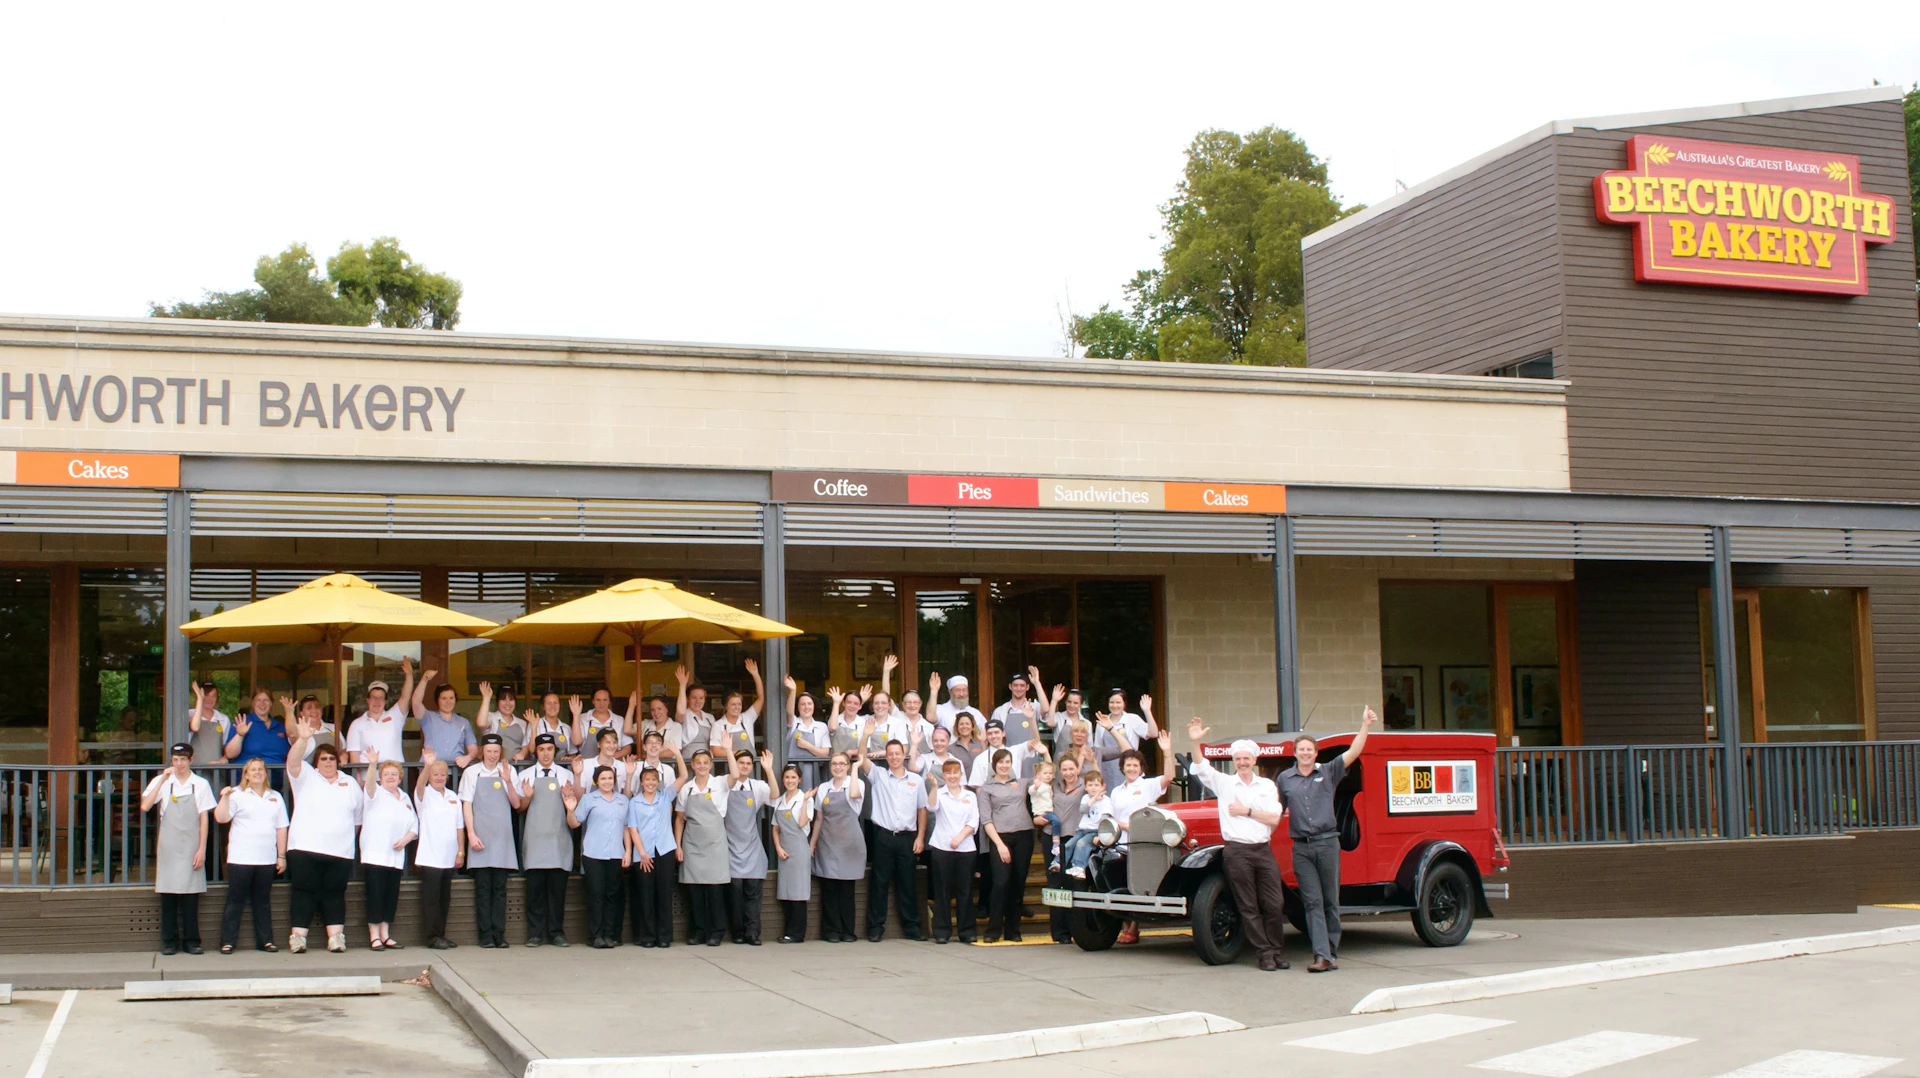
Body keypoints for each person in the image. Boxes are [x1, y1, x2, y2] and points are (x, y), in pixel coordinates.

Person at [1186, 717, 1289, 971]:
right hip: (1237, 850)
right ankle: (1265, 953)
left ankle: (1276, 950)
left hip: (1262, 849)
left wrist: (1246, 811)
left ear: (1255, 760)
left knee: (1274, 903)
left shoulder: (1266, 786)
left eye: (1246, 758)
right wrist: (1195, 740)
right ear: (1234, 762)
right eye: (1238, 759)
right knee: (1248, 904)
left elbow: (1274, 817)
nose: (1242, 763)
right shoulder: (1224, 783)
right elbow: (1200, 766)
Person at [1278, 708, 1376, 973]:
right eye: (1301, 750)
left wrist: (1364, 725)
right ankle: (1321, 955)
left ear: (1316, 753)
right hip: (1302, 848)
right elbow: (1276, 811)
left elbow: (1354, 752)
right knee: (1312, 902)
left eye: (1310, 750)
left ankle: (1331, 952)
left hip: (1327, 843)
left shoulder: (1329, 772)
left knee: (1331, 900)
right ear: (1295, 753)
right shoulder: (1285, 779)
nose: (1306, 753)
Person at [285, 718, 362, 953]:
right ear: (316, 762)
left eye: (331, 758)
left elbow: (357, 820)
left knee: (335, 894)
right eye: (323, 759)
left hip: (339, 852)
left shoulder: (350, 783)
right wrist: (304, 738)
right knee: (303, 893)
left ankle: (336, 938)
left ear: (338, 761)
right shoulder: (305, 777)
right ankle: (298, 938)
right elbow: (293, 760)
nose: (328, 762)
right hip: (304, 849)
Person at [143, 743, 215, 955]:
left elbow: (204, 819)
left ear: (191, 760)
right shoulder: (163, 781)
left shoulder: (200, 784)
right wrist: (163, 779)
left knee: (191, 895)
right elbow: (145, 805)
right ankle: (169, 941)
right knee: (168, 895)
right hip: (169, 844)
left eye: (183, 759)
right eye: (176, 759)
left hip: (192, 843)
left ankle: (192, 941)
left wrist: (202, 848)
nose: (179, 763)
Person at [1107, 733, 1176, 945]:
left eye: (1135, 765)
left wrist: (1166, 752)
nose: (1131, 768)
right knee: (1119, 883)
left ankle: (1135, 927)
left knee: (1138, 884)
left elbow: (1169, 777)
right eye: (1128, 765)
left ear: (1141, 768)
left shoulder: (1148, 786)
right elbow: (1111, 816)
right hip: (1120, 844)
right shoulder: (1117, 791)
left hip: (1142, 844)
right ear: (1122, 767)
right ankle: (1126, 926)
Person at [214, 757, 287, 954]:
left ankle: (266, 941)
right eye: (252, 770)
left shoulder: (275, 797)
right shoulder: (236, 794)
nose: (257, 772)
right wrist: (225, 797)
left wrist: (282, 856)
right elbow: (221, 818)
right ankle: (227, 941)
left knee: (262, 901)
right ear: (245, 774)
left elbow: (281, 828)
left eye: (260, 769)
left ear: (265, 773)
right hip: (241, 858)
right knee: (235, 900)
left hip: (266, 858)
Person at [856, 737, 925, 942]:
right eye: (891, 754)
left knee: (908, 884)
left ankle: (912, 928)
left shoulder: (916, 780)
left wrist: (920, 837)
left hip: (906, 838)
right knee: (879, 883)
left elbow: (922, 809)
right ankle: (875, 928)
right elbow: (862, 756)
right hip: (883, 837)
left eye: (898, 753)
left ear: (904, 755)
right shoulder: (878, 775)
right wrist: (866, 735)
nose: (894, 757)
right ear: (886, 756)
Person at [460, 733, 525, 948]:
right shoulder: (471, 773)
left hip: (502, 837)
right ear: (482, 752)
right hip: (480, 836)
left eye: (496, 752)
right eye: (489, 751)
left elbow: (516, 804)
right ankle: (485, 935)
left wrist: (508, 782)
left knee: (500, 890)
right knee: (482, 889)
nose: (492, 755)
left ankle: (500, 933)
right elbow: (466, 805)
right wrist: (471, 834)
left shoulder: (509, 771)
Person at [517, 732, 576, 947]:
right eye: (541, 750)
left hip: (558, 840)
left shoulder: (565, 775)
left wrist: (569, 795)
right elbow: (520, 809)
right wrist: (527, 797)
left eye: (549, 749)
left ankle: (556, 932)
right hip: (535, 840)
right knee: (535, 891)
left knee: (557, 892)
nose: (545, 753)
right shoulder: (526, 774)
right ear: (536, 752)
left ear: (555, 751)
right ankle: (535, 934)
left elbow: (572, 807)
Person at [359, 753, 418, 951]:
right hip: (375, 855)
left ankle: (385, 935)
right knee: (375, 896)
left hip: (395, 858)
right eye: (386, 774)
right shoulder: (374, 793)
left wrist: (405, 840)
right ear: (380, 777)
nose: (391, 777)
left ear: (400, 777)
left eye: (394, 774)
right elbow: (368, 783)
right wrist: (373, 764)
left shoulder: (405, 797)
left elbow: (414, 826)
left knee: (390, 897)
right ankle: (374, 936)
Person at [569, 764, 631, 948]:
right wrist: (570, 810)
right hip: (593, 853)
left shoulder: (623, 800)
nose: (607, 782)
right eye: (603, 778)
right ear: (597, 780)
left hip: (615, 854)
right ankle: (595, 935)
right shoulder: (589, 799)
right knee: (596, 894)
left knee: (613, 895)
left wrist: (627, 851)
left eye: (610, 778)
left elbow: (626, 827)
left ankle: (609, 934)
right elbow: (574, 824)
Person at [978, 748, 1035, 943]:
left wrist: (1045, 753)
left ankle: (1013, 930)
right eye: (1001, 762)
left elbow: (1045, 777)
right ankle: (993, 930)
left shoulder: (1020, 783)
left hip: (1024, 836)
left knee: (1018, 884)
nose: (1004, 765)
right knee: (1000, 883)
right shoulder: (986, 788)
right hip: (1000, 838)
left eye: (1007, 762)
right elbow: (986, 819)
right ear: (994, 765)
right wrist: (1000, 845)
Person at [808, 751, 866, 943]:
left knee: (847, 890)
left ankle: (848, 931)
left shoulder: (856, 783)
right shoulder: (824, 788)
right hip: (828, 843)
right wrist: (813, 843)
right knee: (829, 890)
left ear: (848, 766)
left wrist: (857, 768)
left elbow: (855, 795)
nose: (838, 767)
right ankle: (831, 931)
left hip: (850, 845)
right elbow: (818, 819)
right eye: (834, 764)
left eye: (842, 764)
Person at [675, 748, 731, 946]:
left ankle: (716, 932)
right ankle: (698, 932)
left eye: (705, 762)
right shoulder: (686, 789)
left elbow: (734, 775)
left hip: (715, 844)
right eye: (698, 762)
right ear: (692, 765)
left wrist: (730, 749)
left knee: (715, 891)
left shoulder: (720, 783)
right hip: (692, 844)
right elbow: (680, 819)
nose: (702, 766)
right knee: (695, 892)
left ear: (711, 764)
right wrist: (678, 845)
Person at [723, 749, 777, 945]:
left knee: (753, 893)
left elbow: (775, 795)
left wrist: (769, 770)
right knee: (735, 894)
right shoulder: (725, 784)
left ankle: (753, 933)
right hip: (730, 847)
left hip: (752, 847)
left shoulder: (757, 786)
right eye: (740, 763)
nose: (744, 766)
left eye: (748, 763)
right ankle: (738, 932)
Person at [413, 753, 465, 950]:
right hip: (430, 858)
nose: (439, 777)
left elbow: (459, 827)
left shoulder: (453, 797)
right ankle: (432, 937)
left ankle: (441, 934)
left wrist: (461, 852)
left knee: (444, 900)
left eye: (442, 774)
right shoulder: (424, 795)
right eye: (435, 774)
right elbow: (418, 787)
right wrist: (427, 766)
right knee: (431, 901)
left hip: (448, 858)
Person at [925, 758, 978, 945]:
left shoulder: (970, 796)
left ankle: (967, 931)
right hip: (941, 848)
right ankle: (941, 931)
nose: (952, 776)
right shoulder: (939, 793)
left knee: (965, 891)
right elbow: (931, 807)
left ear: (961, 774)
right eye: (948, 773)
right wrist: (933, 786)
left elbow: (973, 821)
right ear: (944, 775)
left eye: (956, 773)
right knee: (942, 891)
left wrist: (959, 838)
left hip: (965, 848)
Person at [625, 765, 678, 947]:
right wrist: (642, 853)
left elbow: (684, 777)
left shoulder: (665, 797)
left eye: (654, 779)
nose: (651, 783)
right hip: (644, 853)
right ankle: (648, 937)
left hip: (665, 850)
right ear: (641, 782)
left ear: (658, 782)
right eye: (647, 779)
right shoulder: (634, 802)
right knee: (645, 896)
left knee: (664, 895)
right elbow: (633, 829)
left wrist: (675, 754)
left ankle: (664, 937)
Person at [769, 762, 813, 943]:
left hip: (799, 849)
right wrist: (778, 847)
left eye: (793, 777)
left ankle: (797, 933)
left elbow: (802, 823)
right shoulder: (780, 800)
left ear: (799, 779)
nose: (790, 780)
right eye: (787, 777)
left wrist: (803, 802)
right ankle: (788, 930)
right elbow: (775, 828)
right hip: (784, 850)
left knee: (798, 892)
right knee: (786, 892)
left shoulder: (806, 799)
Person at [1045, 755, 1087, 943]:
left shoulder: (1085, 786)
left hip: (1074, 838)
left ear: (1078, 769)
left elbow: (1100, 785)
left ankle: (1075, 930)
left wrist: (1091, 760)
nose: (1068, 773)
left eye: (1072, 769)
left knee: (1072, 884)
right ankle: (1059, 932)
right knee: (1055, 883)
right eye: (1065, 769)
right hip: (1053, 839)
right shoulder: (1054, 786)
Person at [345, 660, 412, 765]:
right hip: (367, 777)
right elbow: (354, 758)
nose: (377, 701)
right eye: (373, 697)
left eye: (381, 698)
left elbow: (405, 696)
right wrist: (358, 780)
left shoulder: (395, 716)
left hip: (393, 777)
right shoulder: (356, 724)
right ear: (368, 700)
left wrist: (409, 675)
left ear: (385, 701)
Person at [413, 671, 478, 777]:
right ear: (437, 700)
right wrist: (424, 680)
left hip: (456, 773)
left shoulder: (463, 722)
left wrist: (468, 757)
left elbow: (473, 749)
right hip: (431, 772)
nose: (448, 701)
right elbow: (415, 702)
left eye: (451, 698)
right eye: (444, 698)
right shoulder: (428, 718)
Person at [1094, 691, 1157, 792]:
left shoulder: (1132, 719)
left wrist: (1147, 711)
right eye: (1112, 702)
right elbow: (1097, 750)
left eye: (1118, 702)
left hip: (1130, 770)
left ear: (1124, 704)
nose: (1115, 705)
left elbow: (1153, 733)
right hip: (1108, 772)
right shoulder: (1102, 721)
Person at [223, 690, 290, 777]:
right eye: (258, 700)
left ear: (271, 703)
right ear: (253, 703)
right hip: (247, 782)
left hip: (277, 783)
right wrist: (240, 735)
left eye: (266, 700)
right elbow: (230, 754)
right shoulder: (243, 722)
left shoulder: (281, 727)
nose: (262, 703)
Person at [969, 718, 1046, 788]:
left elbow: (1036, 742)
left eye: (996, 732)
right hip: (992, 800)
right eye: (990, 733)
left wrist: (1031, 719)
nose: (993, 736)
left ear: (1003, 733)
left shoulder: (1016, 751)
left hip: (1015, 798)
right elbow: (978, 787)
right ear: (986, 736)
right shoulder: (980, 759)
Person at [709, 659, 765, 755]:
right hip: (729, 766)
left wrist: (755, 674)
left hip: (749, 767)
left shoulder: (747, 718)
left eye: (739, 704)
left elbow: (761, 698)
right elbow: (716, 751)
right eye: (733, 704)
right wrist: (740, 754)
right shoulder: (718, 725)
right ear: (726, 706)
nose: (737, 707)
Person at [782, 678, 829, 791]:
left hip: (814, 772)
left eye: (809, 704)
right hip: (792, 773)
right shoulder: (794, 723)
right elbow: (789, 712)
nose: (806, 707)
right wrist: (793, 691)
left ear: (814, 706)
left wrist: (808, 746)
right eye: (802, 704)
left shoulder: (822, 727)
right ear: (797, 707)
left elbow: (825, 753)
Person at [1064, 770, 1112, 878]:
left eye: (1096, 785)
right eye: (1090, 785)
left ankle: (1079, 867)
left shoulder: (1106, 801)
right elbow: (1083, 809)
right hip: (1082, 830)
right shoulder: (1085, 798)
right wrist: (1094, 798)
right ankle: (1058, 863)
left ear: (1102, 787)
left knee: (1082, 844)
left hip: (1095, 831)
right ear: (1085, 787)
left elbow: (1105, 819)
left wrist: (1101, 835)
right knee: (1069, 844)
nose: (1093, 788)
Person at [477, 683, 530, 762]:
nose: (507, 703)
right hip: (495, 766)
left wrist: (522, 754)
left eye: (511, 699)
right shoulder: (492, 717)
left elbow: (526, 745)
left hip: (517, 768)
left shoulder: (522, 723)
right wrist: (486, 698)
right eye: (503, 699)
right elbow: (481, 723)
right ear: (497, 702)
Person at [990, 670, 1046, 746]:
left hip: (1031, 755)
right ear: (1010, 687)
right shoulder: (1000, 711)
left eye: (1022, 685)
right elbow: (994, 735)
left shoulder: (1033, 707)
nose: (1019, 689)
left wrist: (1037, 683)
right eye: (1015, 685)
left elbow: (1045, 709)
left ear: (1027, 687)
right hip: (1008, 756)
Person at [571, 689, 630, 760]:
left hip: (612, 766)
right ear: (593, 701)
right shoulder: (583, 718)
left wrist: (612, 756)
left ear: (609, 701)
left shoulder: (619, 720)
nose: (601, 703)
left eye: (605, 700)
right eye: (598, 700)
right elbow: (576, 741)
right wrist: (576, 715)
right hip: (587, 765)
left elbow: (627, 748)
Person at [575, 727, 635, 794]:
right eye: (608, 742)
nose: (612, 746)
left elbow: (626, 799)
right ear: (599, 744)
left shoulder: (623, 767)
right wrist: (577, 775)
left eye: (614, 742)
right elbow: (579, 800)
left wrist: (629, 775)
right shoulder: (585, 765)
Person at [186, 682, 230, 768]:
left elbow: (227, 746)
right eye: (206, 695)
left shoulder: (223, 719)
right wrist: (199, 699)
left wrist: (224, 759)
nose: (210, 699)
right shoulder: (190, 715)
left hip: (216, 769)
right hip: (194, 768)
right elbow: (195, 727)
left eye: (214, 696)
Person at [674, 666, 715, 753]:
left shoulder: (709, 718)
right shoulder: (685, 715)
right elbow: (681, 712)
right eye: (694, 698)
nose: (698, 701)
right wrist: (682, 685)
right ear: (687, 699)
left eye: (701, 698)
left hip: (706, 760)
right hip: (688, 758)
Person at [1030, 760, 1060, 870]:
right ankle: (1056, 842)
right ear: (1038, 775)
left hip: (1048, 810)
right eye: (1045, 773)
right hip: (1043, 812)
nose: (1048, 775)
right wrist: (1035, 787)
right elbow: (1032, 792)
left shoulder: (1049, 785)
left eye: (1050, 773)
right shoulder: (1040, 786)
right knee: (1056, 821)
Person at [526, 692, 575, 759]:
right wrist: (534, 727)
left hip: (562, 768)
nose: (552, 706)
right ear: (543, 706)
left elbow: (573, 754)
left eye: (555, 703)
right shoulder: (535, 723)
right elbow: (532, 750)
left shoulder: (566, 728)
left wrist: (569, 758)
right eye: (549, 703)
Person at [824, 684, 865, 756]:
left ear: (860, 706)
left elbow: (865, 748)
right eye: (849, 702)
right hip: (835, 763)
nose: (852, 706)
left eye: (855, 704)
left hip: (855, 763)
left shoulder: (863, 723)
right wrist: (836, 703)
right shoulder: (835, 719)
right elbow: (833, 727)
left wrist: (852, 752)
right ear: (843, 703)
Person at [949, 713, 984, 778]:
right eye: (961, 724)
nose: (964, 726)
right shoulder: (950, 749)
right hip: (961, 786)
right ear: (957, 727)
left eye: (967, 724)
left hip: (981, 786)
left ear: (973, 727)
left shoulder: (981, 744)